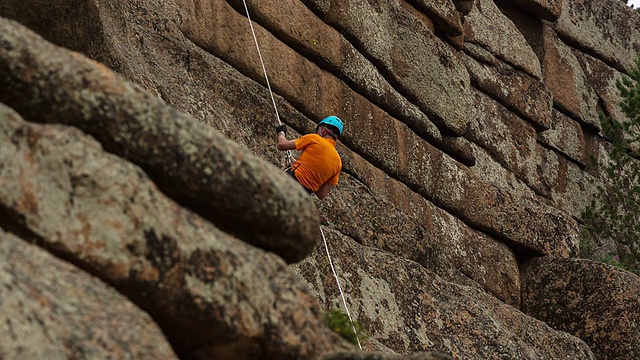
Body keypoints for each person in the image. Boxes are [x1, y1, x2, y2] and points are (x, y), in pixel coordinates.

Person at [276, 116, 344, 200]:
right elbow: (322, 194)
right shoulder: (338, 163)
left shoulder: (314, 138)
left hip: (289, 183)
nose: (317, 132)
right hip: (303, 197)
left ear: (323, 130)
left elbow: (282, 145)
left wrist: (281, 132)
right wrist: (312, 181)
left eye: (318, 130)